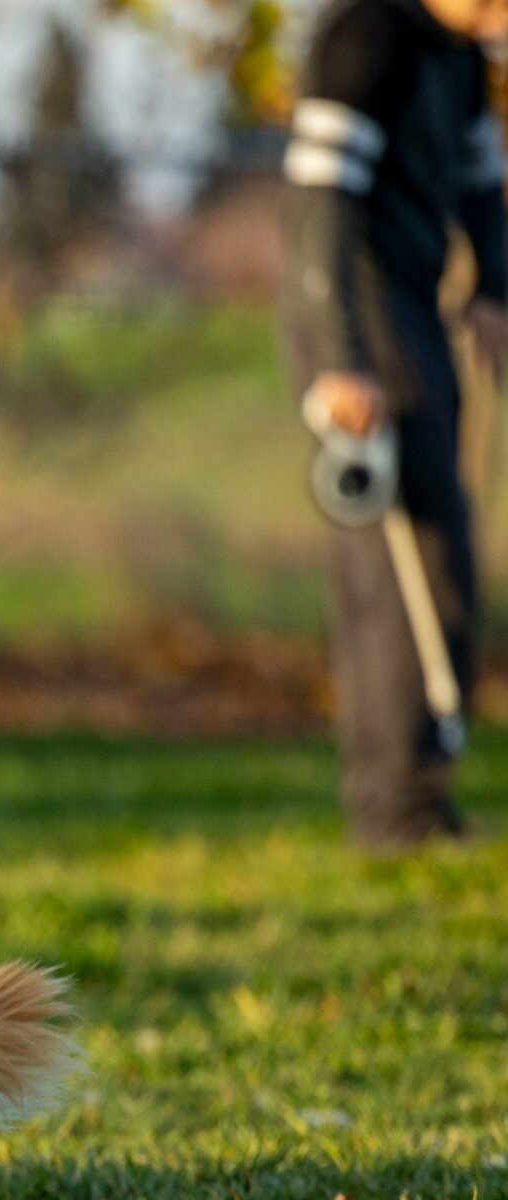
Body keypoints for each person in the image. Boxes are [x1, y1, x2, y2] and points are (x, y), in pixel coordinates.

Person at [282, 0, 508, 848]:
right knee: (395, 570)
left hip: (414, 314)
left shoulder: (460, 58)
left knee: (443, 553)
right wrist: (340, 359)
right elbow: (319, 209)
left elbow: (484, 187)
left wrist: (493, 288)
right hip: (358, 324)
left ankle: (423, 792)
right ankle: (393, 810)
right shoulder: (364, 37)